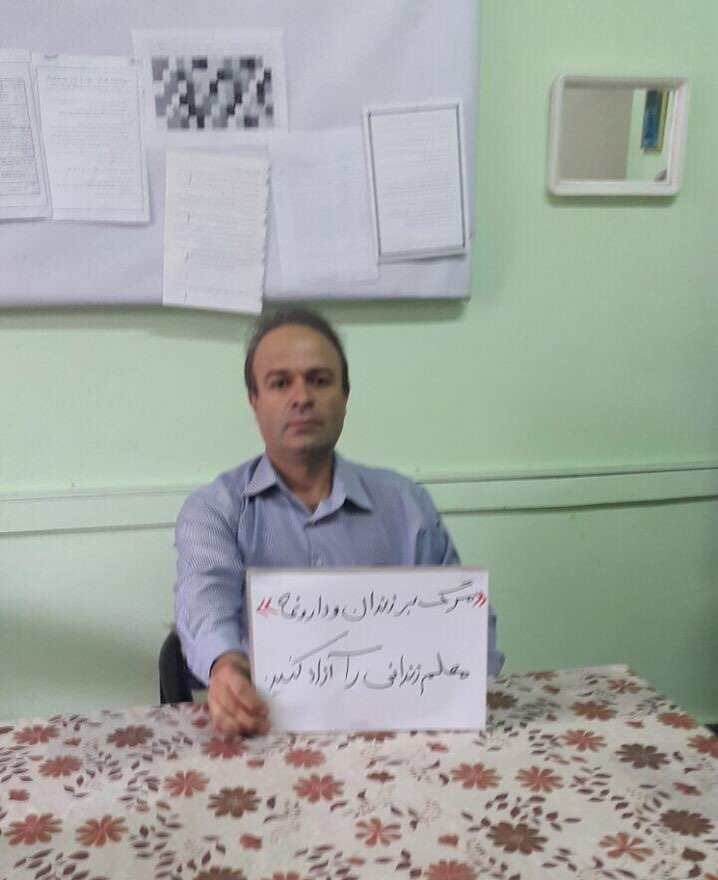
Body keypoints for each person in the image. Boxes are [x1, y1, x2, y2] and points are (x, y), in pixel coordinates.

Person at [173, 308, 503, 734]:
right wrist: (225, 668)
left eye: (319, 380)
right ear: (254, 401)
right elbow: (205, 603)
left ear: (345, 396)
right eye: (280, 383)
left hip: (403, 728)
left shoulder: (405, 504)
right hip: (266, 728)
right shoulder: (214, 510)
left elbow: (463, 621)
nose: (302, 397)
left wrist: (472, 688)